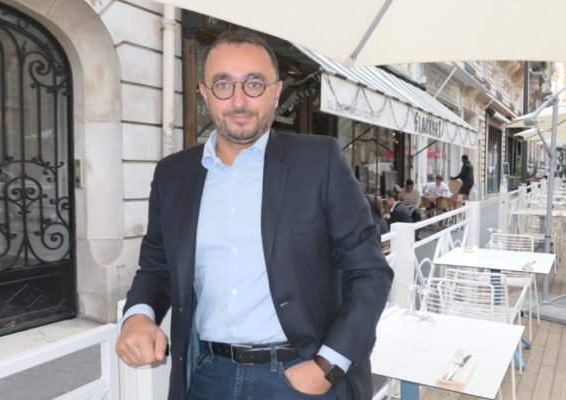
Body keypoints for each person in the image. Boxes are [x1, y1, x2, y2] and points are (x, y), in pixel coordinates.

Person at [115, 31, 393, 400]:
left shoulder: (319, 161)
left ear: (276, 92)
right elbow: (157, 266)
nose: (239, 100)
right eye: (223, 84)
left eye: (254, 83)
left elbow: (369, 270)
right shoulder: (173, 175)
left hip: (300, 377)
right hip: (208, 376)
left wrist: (329, 365)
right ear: (204, 94)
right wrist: (138, 314)